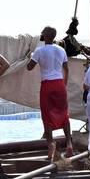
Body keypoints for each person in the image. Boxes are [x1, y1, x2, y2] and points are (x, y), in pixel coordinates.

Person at [27, 26, 71, 161]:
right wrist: (64, 84)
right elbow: (66, 69)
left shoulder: (39, 51)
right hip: (59, 84)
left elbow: (29, 67)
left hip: (47, 84)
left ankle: (51, 144)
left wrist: (30, 56)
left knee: (47, 115)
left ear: (44, 36)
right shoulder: (61, 49)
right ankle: (69, 143)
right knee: (64, 113)